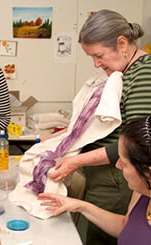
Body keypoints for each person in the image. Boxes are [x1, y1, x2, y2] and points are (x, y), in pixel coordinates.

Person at [47, 9, 151, 244]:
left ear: (122, 43)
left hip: (118, 178)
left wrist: (76, 161)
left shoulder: (143, 74)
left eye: (99, 55)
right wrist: (65, 135)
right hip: (108, 174)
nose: (96, 63)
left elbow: (138, 145)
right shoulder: (123, 73)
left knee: (101, 238)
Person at [39, 115, 151, 245]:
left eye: (124, 163)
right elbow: (126, 227)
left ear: (148, 172)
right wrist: (80, 206)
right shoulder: (143, 190)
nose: (117, 165)